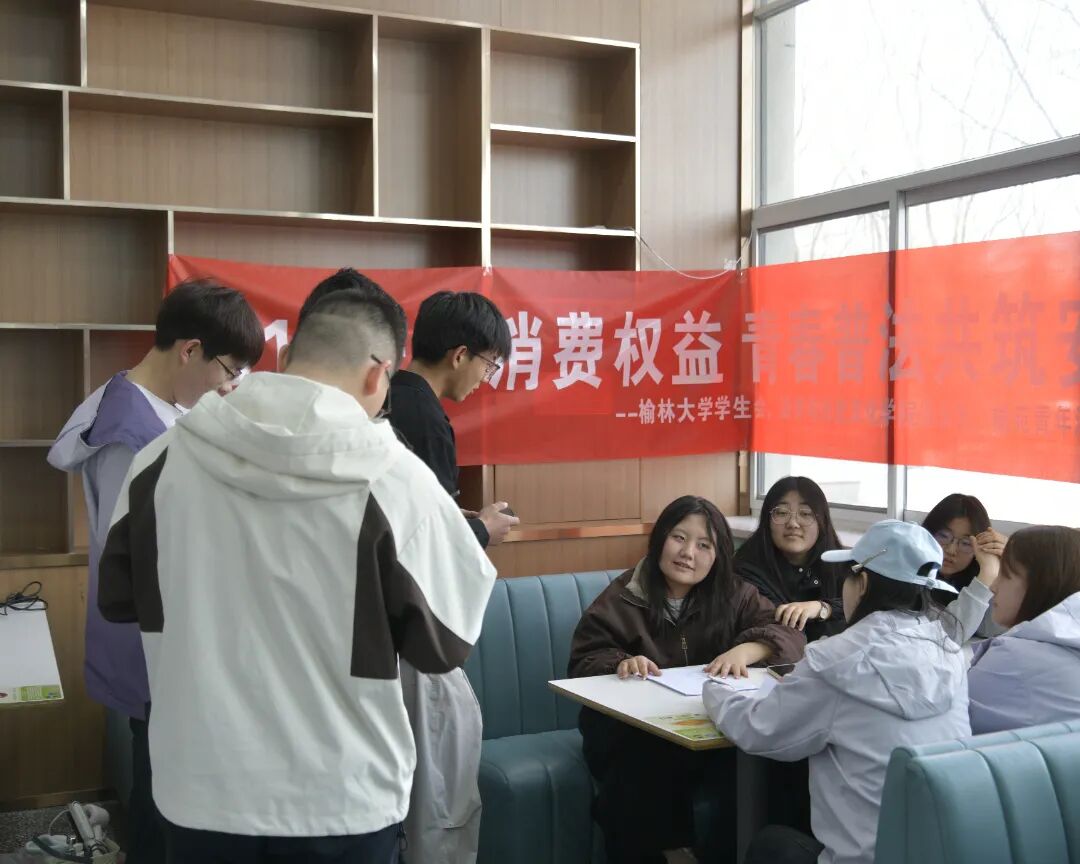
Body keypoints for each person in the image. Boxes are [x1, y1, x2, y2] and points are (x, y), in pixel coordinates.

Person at [96, 290, 497, 864]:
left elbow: (118, 599)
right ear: (378, 375)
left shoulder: (158, 463)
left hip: (200, 785)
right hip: (342, 797)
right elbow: (445, 645)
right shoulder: (398, 482)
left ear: (284, 359)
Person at [47, 279, 263, 863]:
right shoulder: (131, 433)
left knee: (161, 780)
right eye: (228, 369)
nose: (230, 384)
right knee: (162, 794)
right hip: (155, 637)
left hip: (160, 633)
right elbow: (145, 556)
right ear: (190, 350)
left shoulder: (144, 402)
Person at [705, 520, 971, 864]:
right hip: (947, 854)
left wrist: (715, 692)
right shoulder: (951, 655)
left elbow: (759, 730)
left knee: (771, 844)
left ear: (862, 583)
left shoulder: (837, 661)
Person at [568, 496, 806, 864]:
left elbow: (789, 636)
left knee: (769, 757)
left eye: (704, 545)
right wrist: (623, 663)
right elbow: (585, 658)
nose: (688, 553)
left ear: (718, 555)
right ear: (660, 539)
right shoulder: (625, 595)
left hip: (708, 730)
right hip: (630, 733)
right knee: (641, 761)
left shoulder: (734, 595)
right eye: (679, 538)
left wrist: (749, 650)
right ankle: (671, 852)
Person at [389, 290, 519, 548]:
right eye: (489, 364)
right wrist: (483, 530)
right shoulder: (428, 422)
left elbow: (400, 506)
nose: (485, 379)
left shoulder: (385, 394)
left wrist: (451, 513)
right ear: (460, 355)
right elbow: (429, 536)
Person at [968, 525, 1080, 733]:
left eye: (1005, 574)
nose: (993, 586)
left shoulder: (1014, 657)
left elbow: (952, 721)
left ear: (1042, 584)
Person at [735, 476, 846, 641]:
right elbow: (779, 624)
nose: (793, 523)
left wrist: (823, 608)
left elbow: (867, 605)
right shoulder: (746, 570)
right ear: (767, 520)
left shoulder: (841, 562)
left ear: (822, 521)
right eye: (781, 513)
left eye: (805, 513)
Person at [921, 493, 1009, 641]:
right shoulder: (909, 575)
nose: (951, 550)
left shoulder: (978, 574)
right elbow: (944, 637)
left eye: (966, 543)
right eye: (944, 536)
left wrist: (1007, 567)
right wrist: (987, 574)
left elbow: (989, 628)